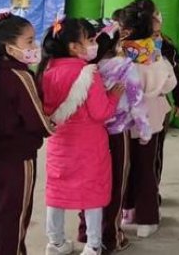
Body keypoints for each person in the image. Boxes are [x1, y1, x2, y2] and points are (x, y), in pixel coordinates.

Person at [39, 18, 122, 255]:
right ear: (74, 46)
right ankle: (93, 244)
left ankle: (55, 242)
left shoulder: (47, 69)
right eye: (90, 39)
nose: (94, 44)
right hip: (89, 145)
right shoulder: (88, 72)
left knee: (56, 191)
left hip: (60, 143)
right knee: (92, 193)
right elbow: (101, 112)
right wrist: (113, 96)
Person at [0, 11, 54, 255]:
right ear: (10, 48)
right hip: (18, 155)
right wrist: (53, 124)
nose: (35, 46)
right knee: (15, 212)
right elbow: (38, 122)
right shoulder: (21, 76)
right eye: (29, 41)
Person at [77, 22, 152, 252]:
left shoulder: (85, 66)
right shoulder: (124, 66)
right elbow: (137, 101)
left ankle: (85, 231)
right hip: (117, 133)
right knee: (115, 184)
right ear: (115, 43)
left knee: (89, 183)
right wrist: (145, 130)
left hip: (89, 134)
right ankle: (111, 236)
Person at [119, 3, 177, 238]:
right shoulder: (155, 56)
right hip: (150, 121)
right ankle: (147, 219)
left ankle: (128, 210)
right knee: (146, 169)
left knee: (126, 167)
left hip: (122, 122)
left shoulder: (119, 53)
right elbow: (169, 83)